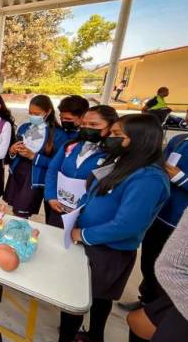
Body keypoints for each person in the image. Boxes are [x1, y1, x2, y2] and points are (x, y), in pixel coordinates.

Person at [60, 113, 170, 342]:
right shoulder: (117, 162)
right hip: (88, 243)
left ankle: (86, 335)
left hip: (108, 250)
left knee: (89, 298)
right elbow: (92, 194)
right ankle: (79, 334)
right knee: (88, 296)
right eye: (111, 133)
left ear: (141, 140)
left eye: (117, 134)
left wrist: (83, 234)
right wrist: (76, 214)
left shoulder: (148, 178)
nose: (108, 137)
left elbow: (127, 225)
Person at [121, 132, 188, 313]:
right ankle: (147, 300)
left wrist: (181, 178)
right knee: (149, 261)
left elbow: (175, 174)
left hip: (179, 224)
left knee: (172, 270)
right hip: (159, 213)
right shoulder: (179, 139)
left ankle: (164, 310)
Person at [44, 105, 119, 228]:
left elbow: (103, 187)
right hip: (59, 206)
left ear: (111, 126)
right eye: (84, 124)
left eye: (94, 125)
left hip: (85, 213)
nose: (87, 128)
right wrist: (51, 196)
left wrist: (81, 208)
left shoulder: (111, 155)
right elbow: (52, 170)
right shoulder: (70, 146)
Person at [4, 95, 68, 218]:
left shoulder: (58, 135)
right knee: (15, 209)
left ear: (48, 111)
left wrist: (34, 156)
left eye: (37, 113)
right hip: (18, 172)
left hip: (34, 177)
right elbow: (13, 152)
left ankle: (19, 232)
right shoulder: (25, 127)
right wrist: (12, 150)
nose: (33, 116)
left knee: (22, 212)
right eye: (30, 113)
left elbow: (58, 165)